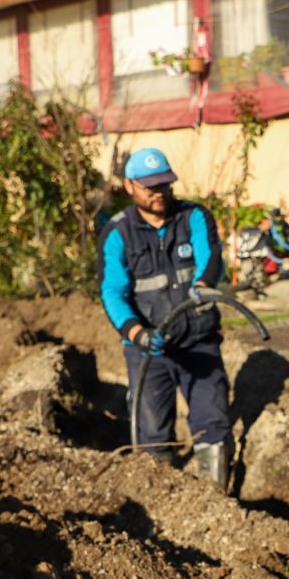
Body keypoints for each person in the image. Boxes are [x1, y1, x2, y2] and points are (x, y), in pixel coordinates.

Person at [98, 147, 231, 489]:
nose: (159, 193)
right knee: (153, 436)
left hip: (198, 341)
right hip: (148, 350)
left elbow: (211, 257)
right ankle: (166, 508)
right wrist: (136, 331)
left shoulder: (193, 217)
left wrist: (202, 284)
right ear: (129, 186)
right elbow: (112, 292)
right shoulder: (118, 234)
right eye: (150, 187)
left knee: (212, 425)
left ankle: (218, 504)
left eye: (164, 185)